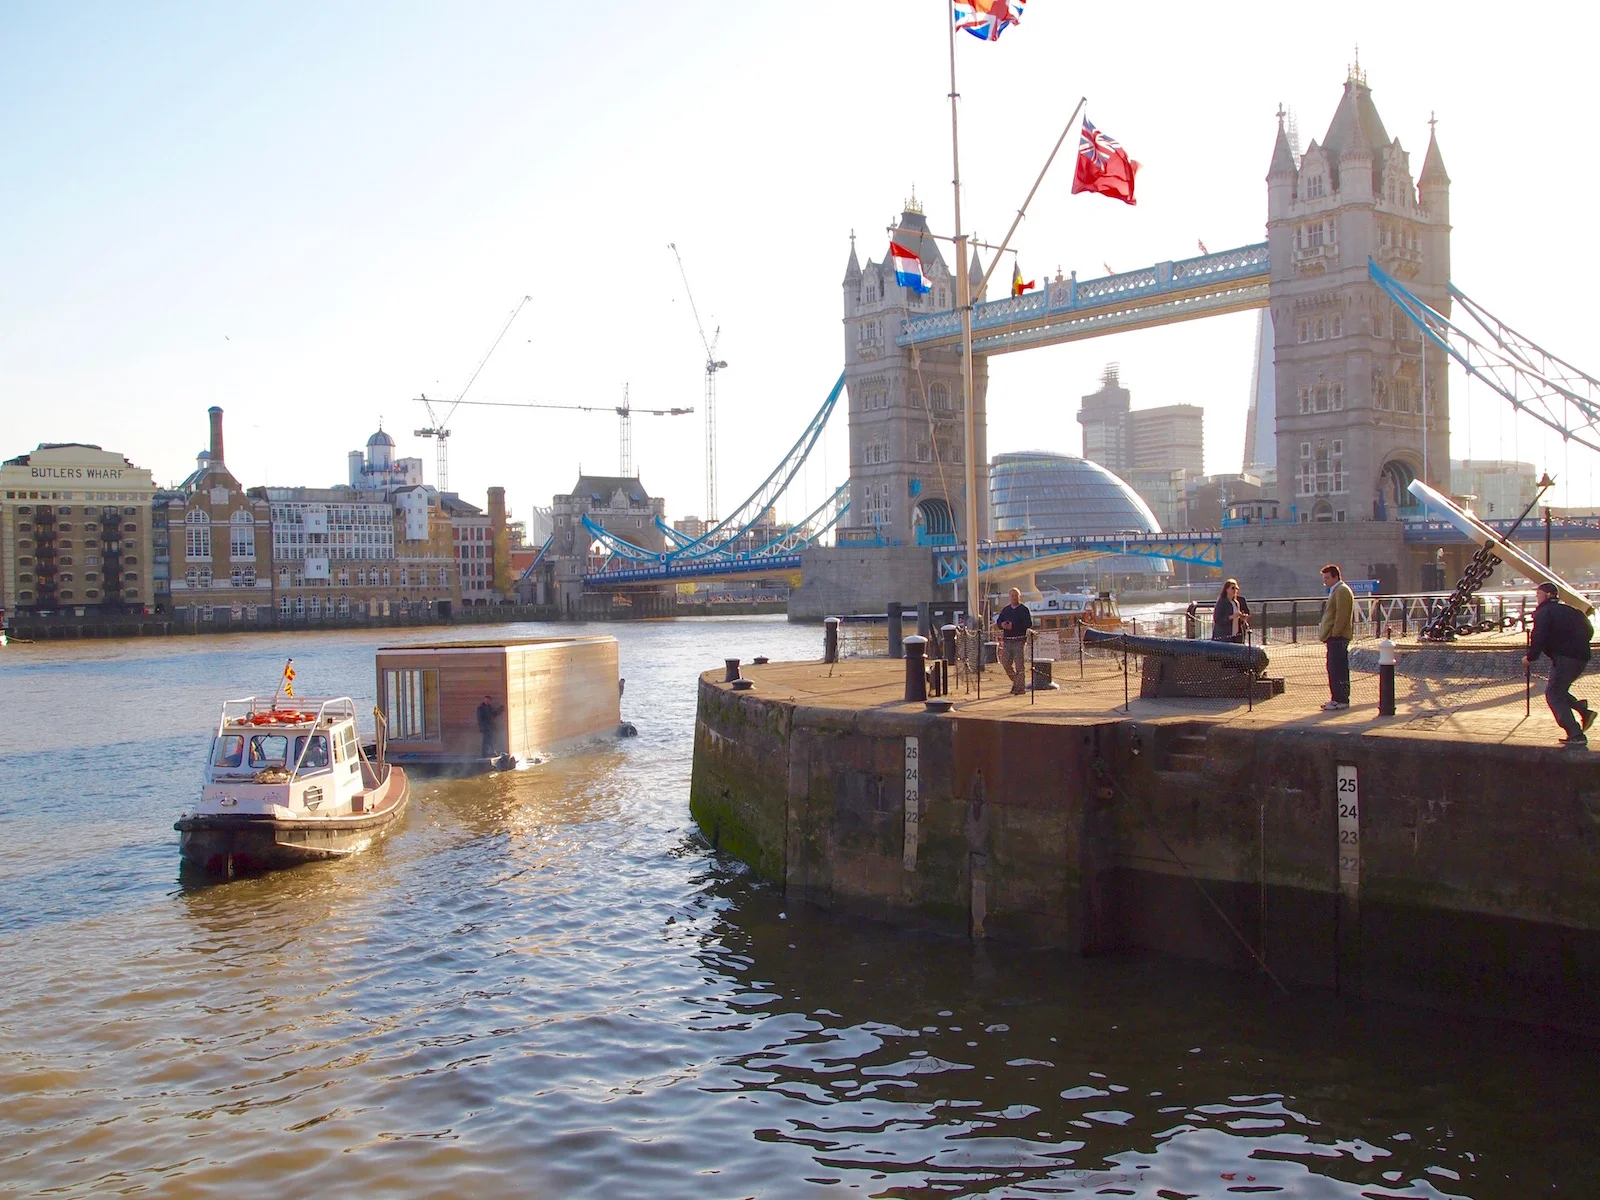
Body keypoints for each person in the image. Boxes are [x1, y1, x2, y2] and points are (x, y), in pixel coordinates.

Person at [1524, 581, 1595, 747]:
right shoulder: (1573, 610)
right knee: (1559, 690)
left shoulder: (1544, 613)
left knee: (1553, 694)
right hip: (1582, 656)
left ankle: (1575, 734)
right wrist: (1577, 643)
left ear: (1548, 595)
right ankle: (1583, 710)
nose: (1537, 598)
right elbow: (1589, 630)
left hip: (1565, 658)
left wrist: (1530, 657)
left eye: (1538, 595)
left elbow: (1538, 637)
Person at [1318, 564, 1354, 711]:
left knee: (1338, 669)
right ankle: (1336, 698)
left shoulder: (1342, 591)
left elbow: (1342, 615)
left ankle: (1341, 699)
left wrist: (1335, 633)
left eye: (1327, 578)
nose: (1324, 581)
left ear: (1335, 577)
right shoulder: (1337, 590)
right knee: (1334, 669)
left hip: (1338, 638)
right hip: (1334, 637)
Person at [994, 586, 1033, 696]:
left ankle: (1020, 688)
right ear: (1009, 597)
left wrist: (1014, 626)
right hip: (1007, 641)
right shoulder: (1006, 610)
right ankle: (1017, 682)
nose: (1014, 597)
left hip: (1019, 641)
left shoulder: (1024, 610)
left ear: (1019, 597)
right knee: (1005, 663)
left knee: (1019, 665)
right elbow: (999, 622)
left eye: (1016, 595)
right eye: (1012, 595)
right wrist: (1002, 625)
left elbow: (1028, 624)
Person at [1212, 578, 1250, 643]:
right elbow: (1217, 619)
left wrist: (1242, 617)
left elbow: (1239, 619)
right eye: (1232, 588)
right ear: (1227, 589)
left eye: (1236, 588)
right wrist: (1231, 617)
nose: (1235, 590)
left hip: (1236, 635)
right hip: (1224, 636)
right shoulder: (1221, 602)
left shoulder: (1236, 602)